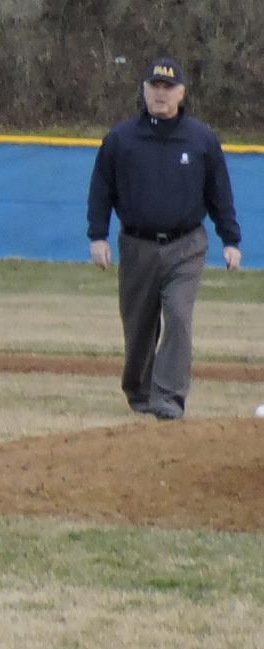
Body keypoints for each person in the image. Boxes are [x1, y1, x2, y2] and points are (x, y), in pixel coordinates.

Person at [87, 56, 242, 421]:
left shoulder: (201, 139)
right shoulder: (121, 139)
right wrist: (98, 235)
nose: (160, 94)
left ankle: (168, 396)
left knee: (179, 315)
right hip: (137, 244)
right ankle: (139, 390)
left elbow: (219, 192)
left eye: (167, 88)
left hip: (186, 245)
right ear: (144, 91)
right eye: (154, 87)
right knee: (139, 325)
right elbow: (101, 190)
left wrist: (230, 239)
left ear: (181, 93)